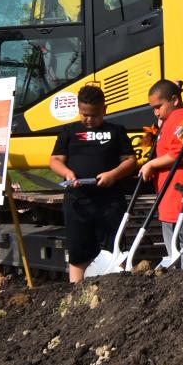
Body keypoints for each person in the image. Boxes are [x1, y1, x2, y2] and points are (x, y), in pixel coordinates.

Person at [49, 84, 139, 283]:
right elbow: (54, 160)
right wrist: (67, 174)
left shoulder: (116, 131)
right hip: (78, 203)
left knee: (115, 250)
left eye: (94, 115)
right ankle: (76, 294)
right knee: (78, 253)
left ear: (104, 109)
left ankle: (118, 292)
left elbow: (131, 161)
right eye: (84, 114)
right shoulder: (68, 132)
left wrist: (113, 175)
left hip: (110, 203)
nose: (89, 119)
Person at [137, 80, 183, 270]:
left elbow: (181, 152)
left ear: (174, 100)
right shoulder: (176, 117)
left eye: (158, 106)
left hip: (178, 194)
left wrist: (151, 164)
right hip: (174, 195)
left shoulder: (181, 118)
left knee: (182, 248)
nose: (156, 112)